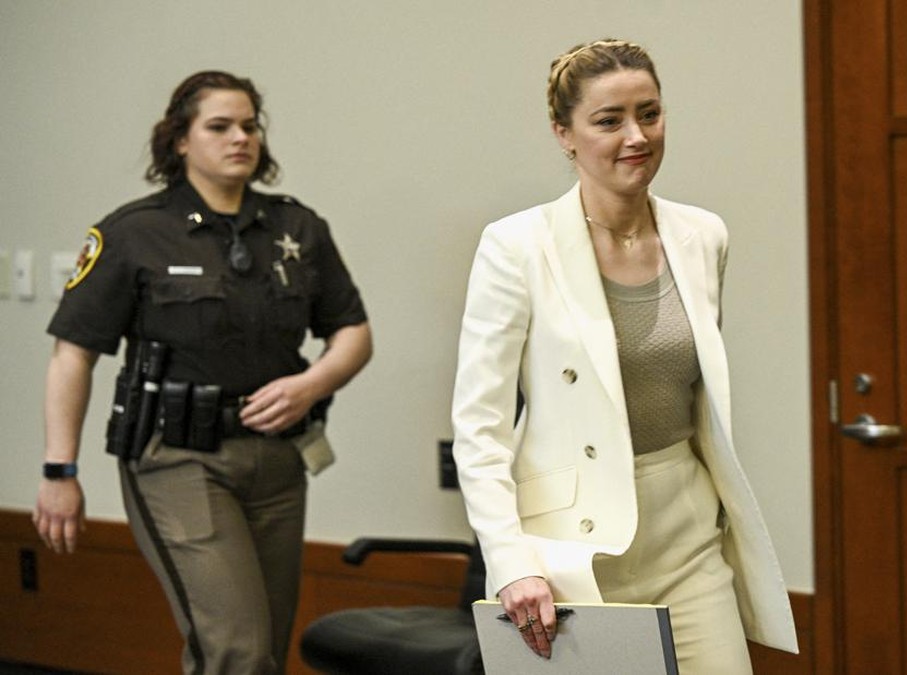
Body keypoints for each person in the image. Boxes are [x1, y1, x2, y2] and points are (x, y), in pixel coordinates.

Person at [451, 39, 798, 673]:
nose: (636, 137)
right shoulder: (516, 246)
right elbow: (480, 427)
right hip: (568, 551)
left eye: (650, 114)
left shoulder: (702, 236)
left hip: (686, 536)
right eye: (609, 121)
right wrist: (511, 562)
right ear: (564, 133)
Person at [32, 70, 372, 674]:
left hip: (278, 459)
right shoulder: (135, 232)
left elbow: (352, 332)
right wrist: (60, 470)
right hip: (177, 459)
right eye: (220, 126)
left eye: (249, 125)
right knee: (237, 649)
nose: (241, 138)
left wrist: (313, 383)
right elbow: (72, 354)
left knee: (264, 648)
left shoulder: (296, 227)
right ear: (180, 140)